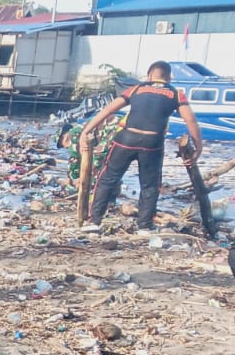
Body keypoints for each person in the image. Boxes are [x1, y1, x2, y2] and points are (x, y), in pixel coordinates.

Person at [82, 61, 203, 230]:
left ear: (149, 75)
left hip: (126, 139)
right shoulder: (176, 94)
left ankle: (94, 222)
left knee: (107, 179)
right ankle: (144, 227)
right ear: (169, 78)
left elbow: (108, 110)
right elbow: (190, 120)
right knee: (150, 185)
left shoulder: (136, 89)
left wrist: (85, 131)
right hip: (152, 144)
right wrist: (198, 147)